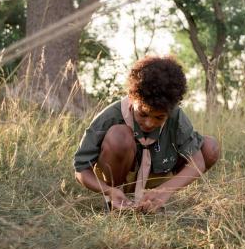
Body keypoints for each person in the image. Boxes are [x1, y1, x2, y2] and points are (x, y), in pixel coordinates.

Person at [73, 56, 219, 213]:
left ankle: (151, 199)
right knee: (119, 136)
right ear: (132, 97)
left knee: (210, 147)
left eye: (159, 117)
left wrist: (164, 191)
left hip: (157, 176)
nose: (149, 123)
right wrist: (109, 191)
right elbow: (81, 170)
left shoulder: (176, 116)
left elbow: (198, 163)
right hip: (120, 180)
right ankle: (115, 203)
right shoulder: (110, 116)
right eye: (143, 114)